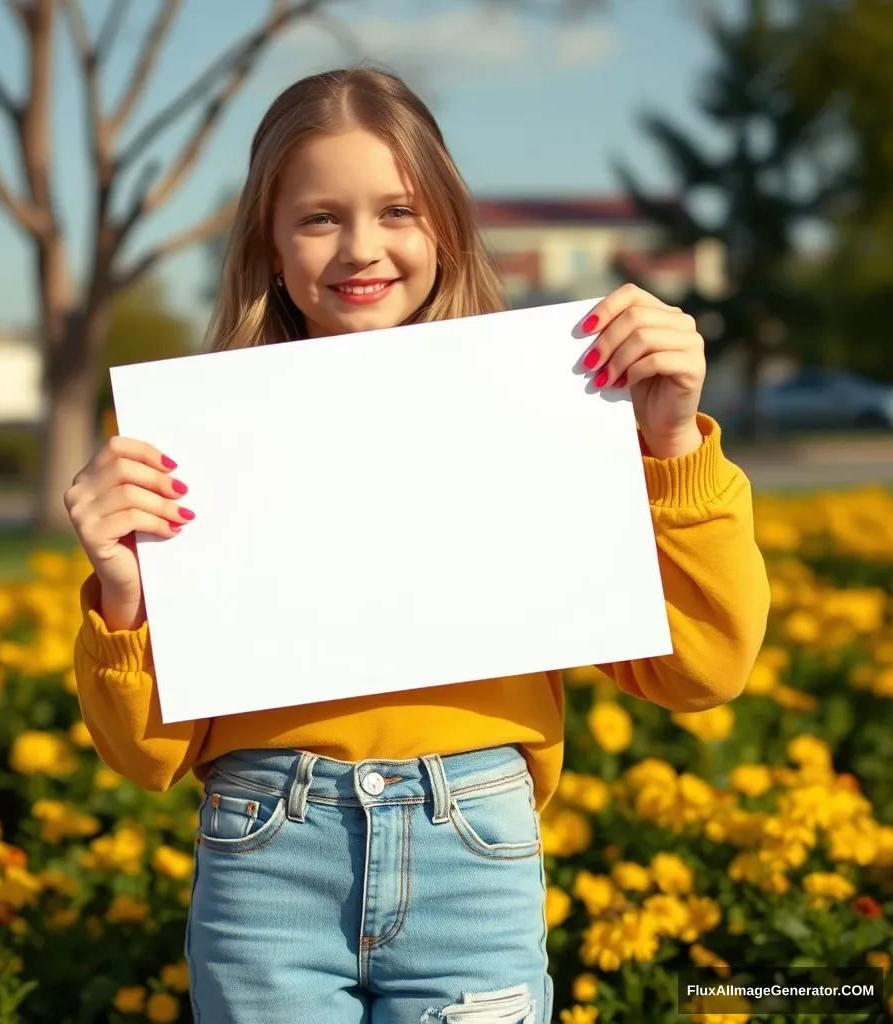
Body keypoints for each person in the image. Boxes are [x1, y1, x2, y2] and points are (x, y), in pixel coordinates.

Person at [64, 66, 770, 1024]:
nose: (362, 247)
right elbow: (145, 757)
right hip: (266, 852)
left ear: (445, 224)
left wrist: (674, 446)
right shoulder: (195, 446)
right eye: (318, 218)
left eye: (398, 209)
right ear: (269, 245)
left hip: (473, 849)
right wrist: (121, 594)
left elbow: (704, 670)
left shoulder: (548, 407)